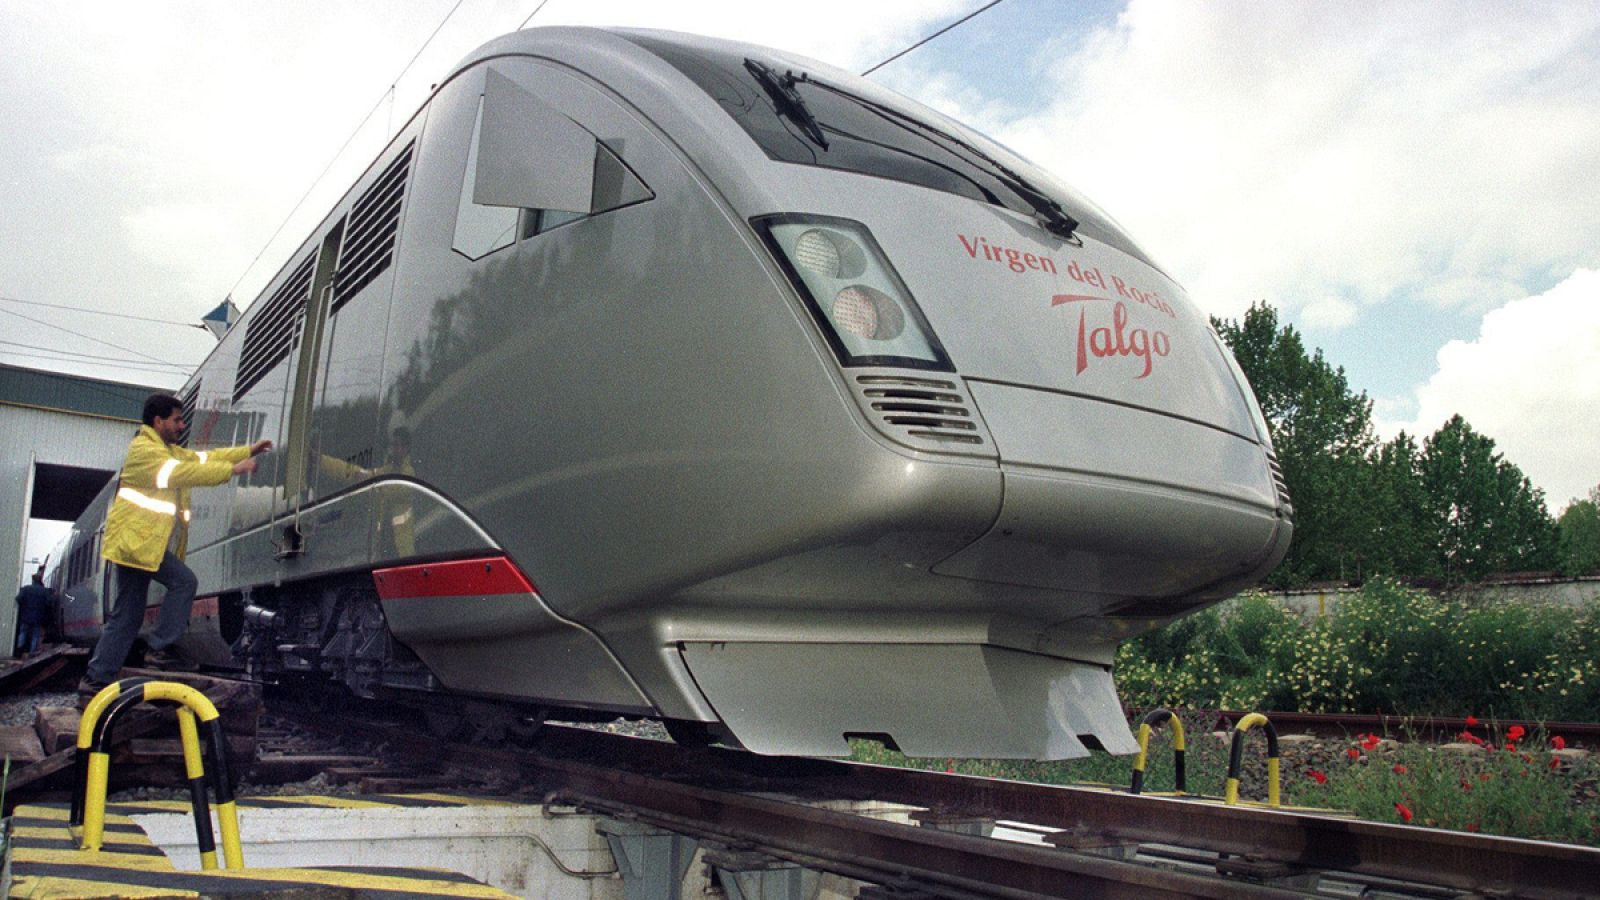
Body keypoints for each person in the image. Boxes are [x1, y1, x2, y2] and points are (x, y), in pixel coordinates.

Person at [78, 393, 271, 699]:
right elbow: (184, 473)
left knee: (127, 615)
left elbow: (201, 459)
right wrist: (233, 470)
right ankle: (158, 650)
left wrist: (246, 451)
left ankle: (96, 679)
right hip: (136, 545)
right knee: (183, 582)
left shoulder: (164, 450)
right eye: (177, 419)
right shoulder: (145, 452)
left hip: (141, 545)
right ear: (159, 421)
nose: (182, 425)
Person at [13, 567, 53, 657]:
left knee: (23, 633)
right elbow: (49, 602)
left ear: (33, 580)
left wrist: (24, 606)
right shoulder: (44, 591)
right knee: (35, 635)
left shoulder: (26, 589)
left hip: (25, 616)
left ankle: (20, 649)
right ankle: (32, 652)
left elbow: (18, 599)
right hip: (38, 617)